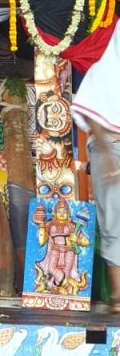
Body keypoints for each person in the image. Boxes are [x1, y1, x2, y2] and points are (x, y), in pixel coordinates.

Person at [71, 21, 120, 313]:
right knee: (115, 220)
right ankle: (118, 299)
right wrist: (108, 155)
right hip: (109, 146)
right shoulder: (105, 70)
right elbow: (92, 112)